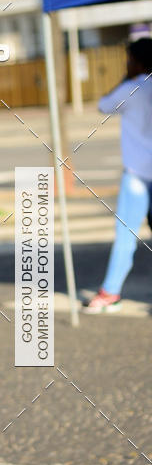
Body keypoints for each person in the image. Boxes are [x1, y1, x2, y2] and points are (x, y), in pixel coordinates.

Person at [83, 38, 152, 313]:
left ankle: (110, 293)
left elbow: (103, 105)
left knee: (126, 236)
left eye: (128, 60)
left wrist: (126, 77)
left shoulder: (131, 89)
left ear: (136, 62)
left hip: (137, 174)